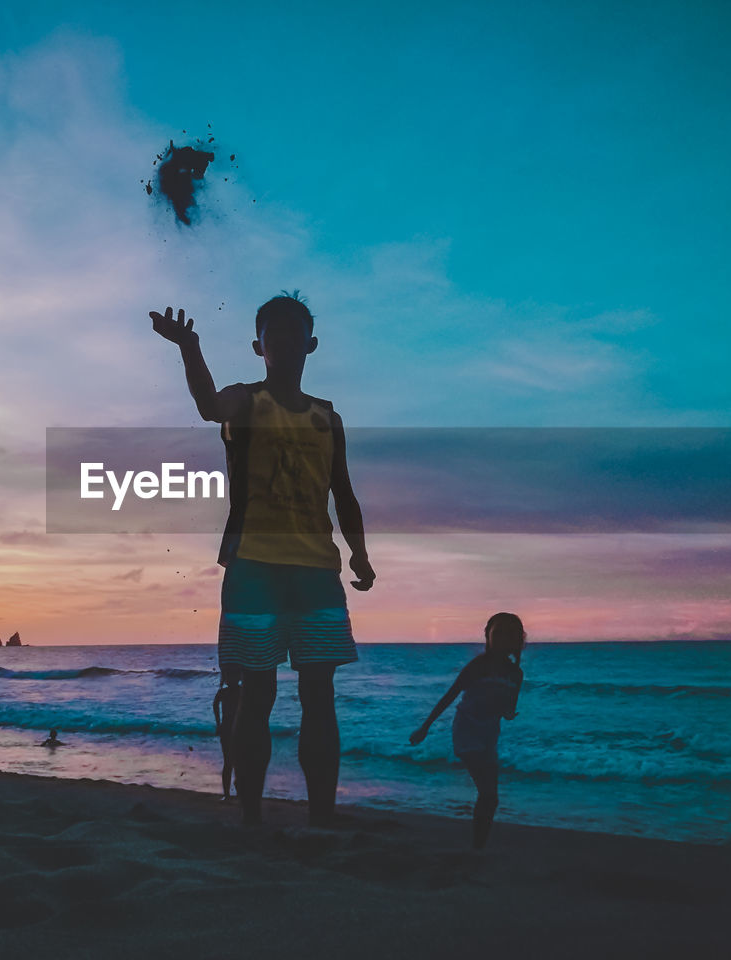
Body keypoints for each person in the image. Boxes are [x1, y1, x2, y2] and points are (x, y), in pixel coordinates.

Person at [151, 295, 376, 827]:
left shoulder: (327, 417)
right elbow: (209, 405)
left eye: (294, 334)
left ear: (311, 345)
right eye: (273, 336)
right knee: (258, 693)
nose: (285, 343)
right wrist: (190, 348)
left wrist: (360, 554)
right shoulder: (246, 402)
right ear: (260, 347)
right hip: (253, 566)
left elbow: (341, 492)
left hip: (317, 571)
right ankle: (252, 819)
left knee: (319, 695)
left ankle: (321, 820)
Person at [409, 612, 526, 850]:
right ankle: (477, 847)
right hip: (467, 730)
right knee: (488, 793)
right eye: (499, 633)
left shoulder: (516, 674)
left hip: (489, 735)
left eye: (510, 635)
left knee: (490, 796)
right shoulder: (478, 666)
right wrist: (425, 727)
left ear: (518, 640)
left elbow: (508, 708)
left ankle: (478, 845)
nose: (504, 639)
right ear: (488, 636)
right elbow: (450, 696)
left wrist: (508, 713)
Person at [212, 666, 242, 800]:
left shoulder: (241, 691)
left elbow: (215, 705)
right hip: (227, 728)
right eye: (230, 676)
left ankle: (237, 790)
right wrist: (218, 723)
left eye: (235, 675)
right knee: (229, 762)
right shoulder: (224, 692)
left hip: (239, 728)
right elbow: (215, 705)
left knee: (238, 762)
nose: (232, 679)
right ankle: (227, 793)